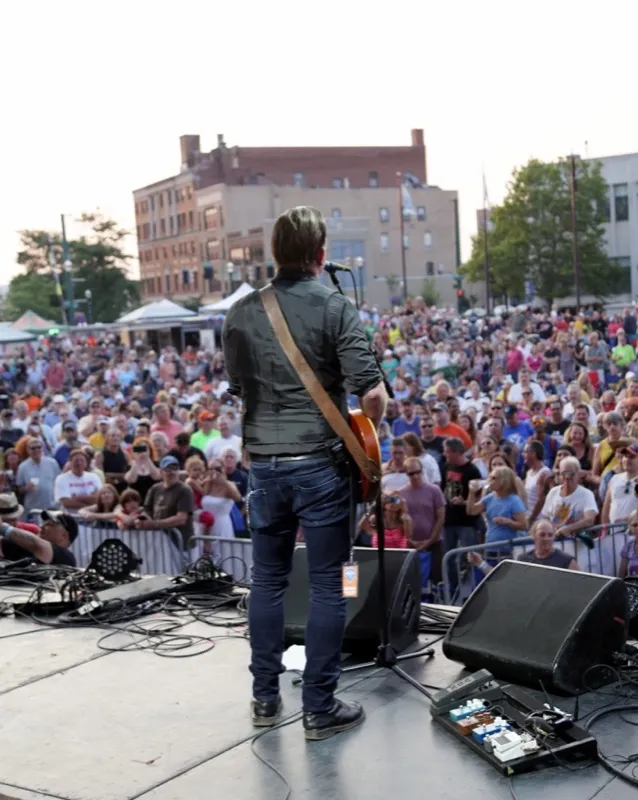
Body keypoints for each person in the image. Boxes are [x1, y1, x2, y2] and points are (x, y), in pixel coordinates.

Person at [223, 206, 387, 740]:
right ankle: (319, 707)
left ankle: (264, 700)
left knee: (266, 581)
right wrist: (365, 429)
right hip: (320, 467)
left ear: (275, 253)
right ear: (320, 255)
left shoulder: (240, 312)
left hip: (264, 470)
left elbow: (240, 388)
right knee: (329, 585)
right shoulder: (335, 306)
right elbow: (372, 394)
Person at [469, 519, 579, 574]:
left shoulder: (567, 561)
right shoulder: (523, 559)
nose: (546, 538)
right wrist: (481, 564)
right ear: (533, 536)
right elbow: (505, 580)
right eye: (542, 535)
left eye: (550, 535)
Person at [400, 456, 445, 586]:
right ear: (406, 474)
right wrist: (409, 540)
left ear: (422, 470)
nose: (415, 476)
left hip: (434, 542)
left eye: (418, 472)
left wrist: (430, 540)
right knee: (413, 581)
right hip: (411, 544)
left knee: (437, 580)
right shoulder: (401, 493)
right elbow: (399, 519)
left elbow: (441, 517)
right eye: (411, 473)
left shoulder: (434, 490)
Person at [467, 465, 526, 564]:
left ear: (504, 480)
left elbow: (523, 525)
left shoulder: (514, 500)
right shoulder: (489, 498)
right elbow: (471, 511)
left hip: (508, 550)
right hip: (490, 547)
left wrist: (507, 521)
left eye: (494, 478)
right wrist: (472, 493)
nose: (490, 481)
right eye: (490, 477)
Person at [540, 456, 598, 538]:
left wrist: (568, 529)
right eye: (563, 474)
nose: (567, 477)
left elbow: (589, 520)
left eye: (571, 474)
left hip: (576, 543)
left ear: (578, 474)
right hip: (554, 541)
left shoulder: (587, 494)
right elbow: (545, 518)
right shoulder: (553, 492)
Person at [0, 509, 78, 566]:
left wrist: (3, 527)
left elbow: (39, 545)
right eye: (44, 523)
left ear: (64, 535)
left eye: (50, 525)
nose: (41, 526)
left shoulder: (67, 558)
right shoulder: (28, 548)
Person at [16, 436, 60, 517]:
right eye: (33, 448)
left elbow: (58, 483)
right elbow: (19, 489)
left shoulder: (52, 463)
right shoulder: (23, 466)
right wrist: (26, 488)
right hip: (33, 509)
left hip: (52, 507)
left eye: (39, 447)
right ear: (27, 450)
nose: (36, 450)